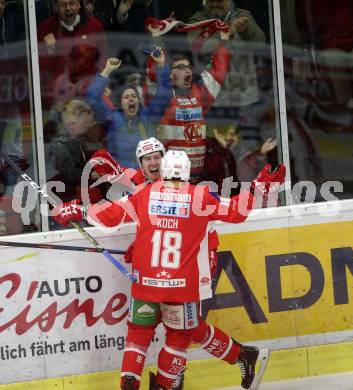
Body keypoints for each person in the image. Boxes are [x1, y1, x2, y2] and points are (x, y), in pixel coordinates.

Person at [53, 149, 285, 389]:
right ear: (187, 172)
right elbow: (237, 211)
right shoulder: (201, 196)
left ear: (163, 170)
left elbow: (109, 216)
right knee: (178, 339)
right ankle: (166, 384)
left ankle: (130, 380)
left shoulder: (145, 194)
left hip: (147, 285)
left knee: (138, 335)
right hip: (181, 288)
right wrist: (260, 188)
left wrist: (78, 210)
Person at [145, 23, 231, 183]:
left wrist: (224, 38)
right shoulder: (162, 97)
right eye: (181, 67)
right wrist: (156, 37)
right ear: (170, 74)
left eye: (189, 67)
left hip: (198, 178)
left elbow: (218, 72)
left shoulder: (200, 94)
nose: (187, 71)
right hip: (169, 180)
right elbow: (153, 74)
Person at [85, 54, 171, 169]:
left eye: (133, 96)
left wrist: (160, 65)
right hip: (120, 179)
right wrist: (107, 70)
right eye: (126, 97)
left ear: (138, 101)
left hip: (146, 177)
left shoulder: (148, 116)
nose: (130, 98)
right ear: (120, 103)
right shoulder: (112, 118)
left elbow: (164, 95)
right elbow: (92, 98)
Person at [187, 0, 266, 116]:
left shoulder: (243, 16)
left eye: (219, 1)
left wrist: (246, 30)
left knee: (246, 133)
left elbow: (260, 43)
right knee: (215, 134)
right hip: (212, 98)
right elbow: (197, 46)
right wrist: (227, 34)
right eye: (210, 1)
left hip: (245, 97)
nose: (214, 4)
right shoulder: (197, 20)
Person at [37, 0, 108, 109]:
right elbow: (43, 71)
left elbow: (102, 61)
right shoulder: (46, 29)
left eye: (72, 3)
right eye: (63, 5)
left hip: (90, 96)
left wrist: (97, 89)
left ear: (79, 4)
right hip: (60, 100)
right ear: (55, 6)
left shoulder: (95, 26)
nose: (68, 8)